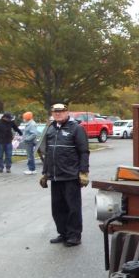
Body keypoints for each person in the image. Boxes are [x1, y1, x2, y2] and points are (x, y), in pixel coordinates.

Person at [40, 103, 90, 247]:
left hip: (71, 175)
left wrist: (84, 172)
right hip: (55, 176)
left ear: (67, 112)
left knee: (73, 208)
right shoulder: (50, 129)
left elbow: (84, 152)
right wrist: (45, 173)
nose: (58, 114)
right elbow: (48, 153)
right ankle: (63, 233)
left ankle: (74, 236)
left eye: (61, 111)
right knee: (57, 208)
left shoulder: (76, 129)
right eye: (55, 112)